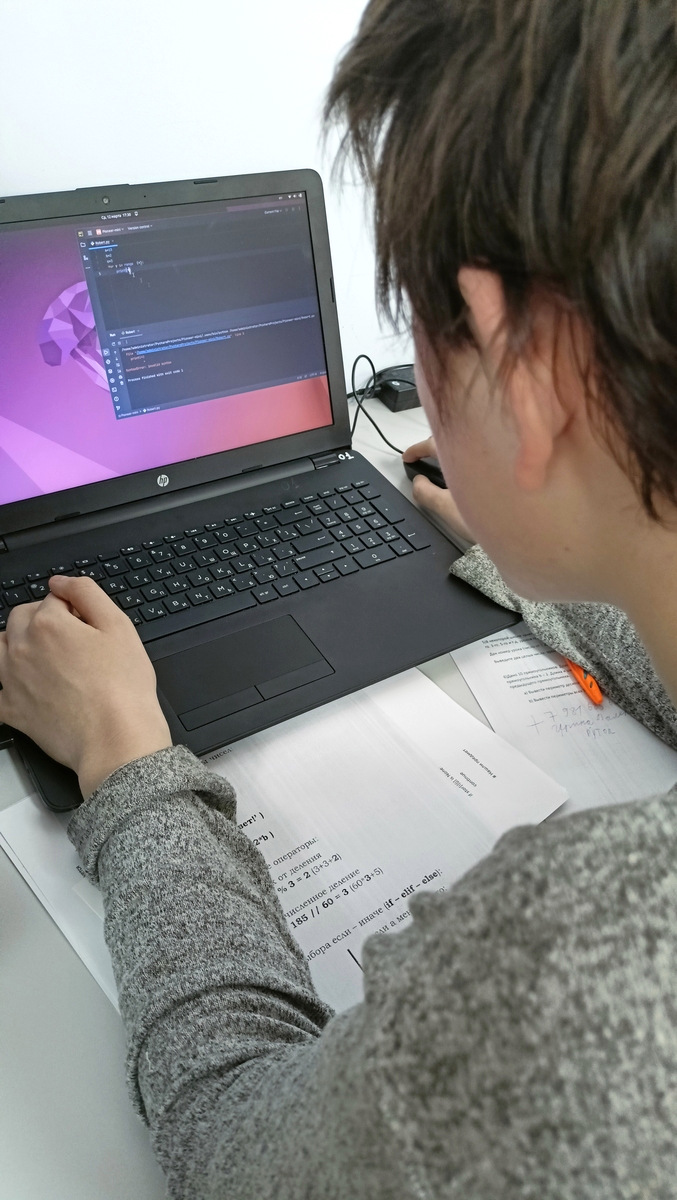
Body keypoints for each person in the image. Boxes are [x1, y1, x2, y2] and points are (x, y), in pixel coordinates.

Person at [2, 0, 677, 1195]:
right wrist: (557, 538)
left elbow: (235, 1140)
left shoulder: (568, 979)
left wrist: (127, 764)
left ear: (515, 367)